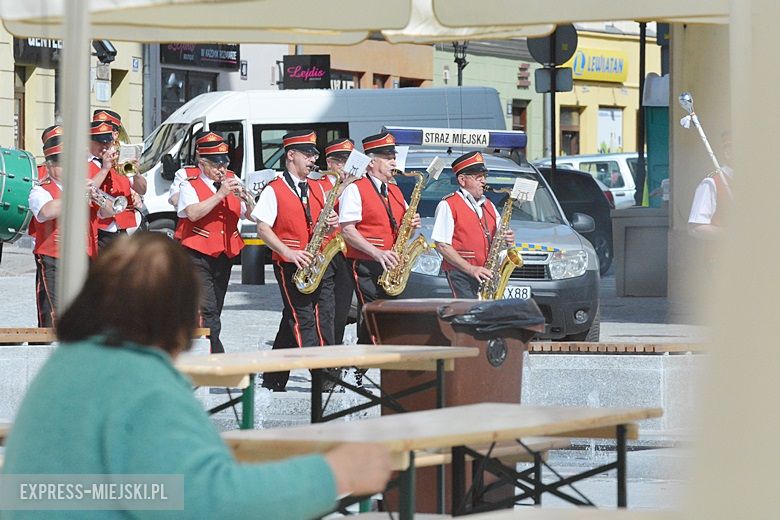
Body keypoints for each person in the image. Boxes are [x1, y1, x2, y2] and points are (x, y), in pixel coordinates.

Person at [1, 233, 393, 520]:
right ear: (178, 313)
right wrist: (333, 474)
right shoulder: (138, 381)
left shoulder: (69, 364)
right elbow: (207, 499)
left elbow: (151, 493)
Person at [252, 130, 338, 391]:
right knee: (303, 318)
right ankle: (322, 376)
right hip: (292, 263)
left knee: (324, 317)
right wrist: (288, 253)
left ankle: (273, 377)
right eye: (308, 154)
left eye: (314, 154)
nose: (314, 159)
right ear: (291, 155)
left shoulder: (318, 187)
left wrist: (333, 220)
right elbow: (263, 228)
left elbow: (326, 220)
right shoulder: (274, 189)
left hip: (319, 261)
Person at [27, 125, 115, 327]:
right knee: (54, 315)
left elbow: (110, 211)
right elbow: (46, 211)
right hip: (53, 258)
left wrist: (97, 195)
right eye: (59, 162)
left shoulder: (83, 185)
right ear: (49, 165)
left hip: (84, 258)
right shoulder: (40, 190)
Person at [339, 131, 420, 348]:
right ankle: (360, 370)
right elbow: (347, 230)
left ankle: (362, 369)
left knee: (383, 319)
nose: (393, 161)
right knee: (374, 316)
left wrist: (411, 228)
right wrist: (376, 253)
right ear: (371, 161)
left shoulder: (394, 190)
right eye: (387, 157)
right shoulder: (356, 188)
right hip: (366, 263)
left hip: (391, 264)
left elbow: (403, 232)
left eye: (393, 156)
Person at [177, 131, 254, 354]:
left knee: (215, 307)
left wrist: (247, 199)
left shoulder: (232, 180)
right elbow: (192, 213)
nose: (222, 169)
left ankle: (199, 349)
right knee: (207, 309)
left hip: (224, 254)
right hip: (196, 254)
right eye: (216, 165)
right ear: (202, 164)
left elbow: (250, 216)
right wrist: (220, 194)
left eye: (225, 163)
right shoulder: (189, 184)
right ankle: (215, 355)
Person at [431, 151, 514, 298]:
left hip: (487, 274)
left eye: (484, 177)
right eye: (478, 177)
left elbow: (498, 241)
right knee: (467, 314)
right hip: (461, 274)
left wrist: (508, 241)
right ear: (462, 180)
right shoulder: (448, 204)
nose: (484, 181)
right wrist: (471, 269)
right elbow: (442, 245)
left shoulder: (489, 205)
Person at [315, 137, 358, 345]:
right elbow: (323, 205)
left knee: (342, 307)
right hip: (325, 252)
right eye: (340, 161)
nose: (345, 167)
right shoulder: (319, 184)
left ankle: (336, 350)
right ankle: (325, 352)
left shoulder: (358, 185)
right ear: (330, 163)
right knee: (325, 307)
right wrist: (345, 184)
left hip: (348, 252)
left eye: (349, 161)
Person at [88, 120, 135, 251]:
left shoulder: (116, 160)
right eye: (100, 142)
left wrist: (136, 173)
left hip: (119, 228)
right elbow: (86, 191)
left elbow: (141, 188)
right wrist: (105, 169)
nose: (104, 146)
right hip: (96, 229)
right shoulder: (81, 161)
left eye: (107, 142)